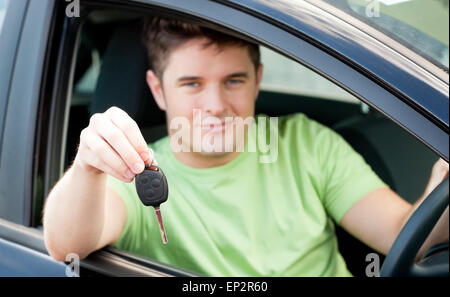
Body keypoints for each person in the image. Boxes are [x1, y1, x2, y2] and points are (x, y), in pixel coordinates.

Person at [43, 16, 449, 276]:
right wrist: (87, 167)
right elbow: (66, 245)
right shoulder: (135, 171)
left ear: (258, 79)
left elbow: (404, 235)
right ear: (158, 90)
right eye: (192, 84)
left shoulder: (306, 142)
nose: (216, 106)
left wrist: (442, 184)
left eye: (233, 81)